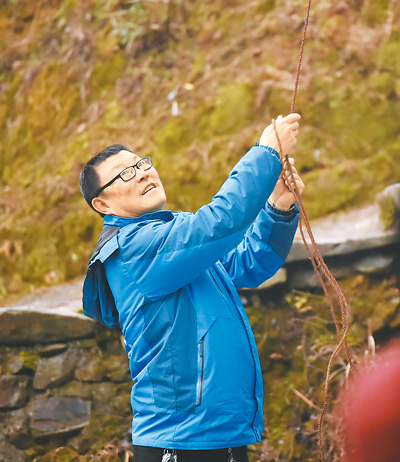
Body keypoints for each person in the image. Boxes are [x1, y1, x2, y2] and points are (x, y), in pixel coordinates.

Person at [79, 114, 303, 462]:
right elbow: (219, 223)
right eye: (124, 174)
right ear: (102, 204)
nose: (141, 173)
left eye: (141, 163)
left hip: (221, 434)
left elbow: (250, 263)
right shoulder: (131, 249)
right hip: (180, 441)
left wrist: (278, 208)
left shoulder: (173, 239)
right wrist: (266, 153)